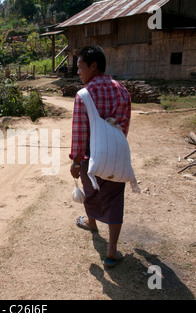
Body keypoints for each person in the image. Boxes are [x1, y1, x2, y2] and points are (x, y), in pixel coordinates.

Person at [70, 46, 132, 268]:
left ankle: (92, 222)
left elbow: (79, 132)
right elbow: (123, 127)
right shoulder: (123, 91)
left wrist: (77, 161)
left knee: (91, 191)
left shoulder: (84, 95)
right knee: (115, 199)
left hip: (91, 158)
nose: (78, 72)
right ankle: (112, 251)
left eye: (80, 67)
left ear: (93, 66)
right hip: (116, 155)